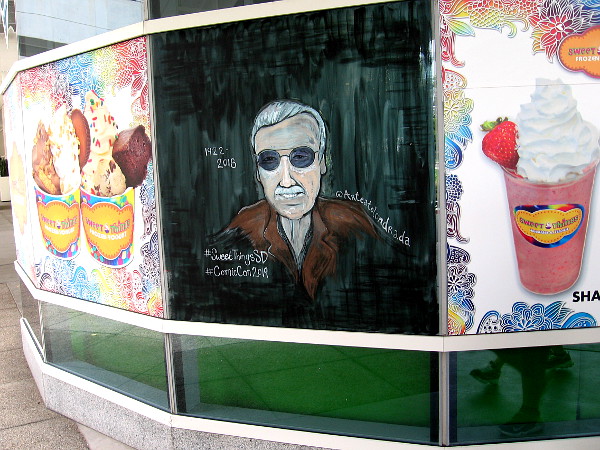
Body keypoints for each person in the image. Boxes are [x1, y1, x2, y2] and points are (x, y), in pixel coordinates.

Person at [215, 99, 379, 300]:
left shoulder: (355, 226)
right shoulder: (241, 232)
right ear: (258, 172)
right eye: (269, 160)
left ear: (321, 163)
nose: (286, 181)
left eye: (300, 157)